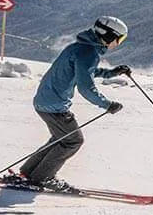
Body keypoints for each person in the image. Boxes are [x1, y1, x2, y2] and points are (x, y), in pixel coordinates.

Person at [8, 17, 131, 192]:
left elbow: (85, 71)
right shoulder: (88, 52)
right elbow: (86, 87)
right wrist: (107, 104)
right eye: (120, 39)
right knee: (73, 141)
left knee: (60, 138)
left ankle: (29, 172)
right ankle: (43, 178)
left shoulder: (80, 47)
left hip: (45, 100)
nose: (118, 44)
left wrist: (111, 73)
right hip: (55, 105)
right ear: (110, 36)